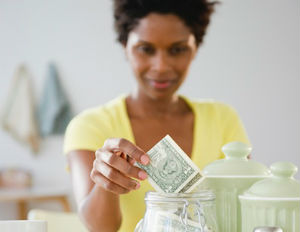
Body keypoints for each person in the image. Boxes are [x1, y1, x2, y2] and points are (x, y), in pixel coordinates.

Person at [63, 0, 250, 231]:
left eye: (177, 49)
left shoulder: (223, 119)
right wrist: (105, 183)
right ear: (125, 46)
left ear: (195, 48)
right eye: (146, 49)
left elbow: (244, 211)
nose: (161, 66)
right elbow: (101, 228)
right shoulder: (89, 126)